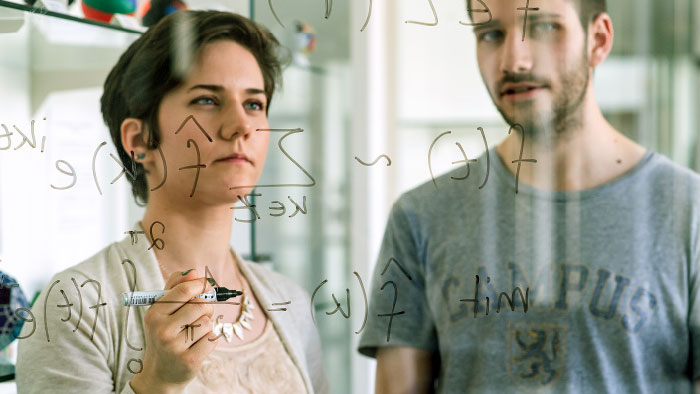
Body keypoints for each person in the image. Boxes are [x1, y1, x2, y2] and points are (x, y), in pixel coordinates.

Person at [358, 0, 700, 392]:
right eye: (490, 34)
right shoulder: (420, 217)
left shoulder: (689, 213)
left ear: (598, 40)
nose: (513, 60)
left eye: (541, 28)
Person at [16, 10, 329, 394]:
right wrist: (156, 383)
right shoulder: (74, 309)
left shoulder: (290, 303)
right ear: (140, 139)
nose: (242, 126)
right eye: (207, 100)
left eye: (253, 104)